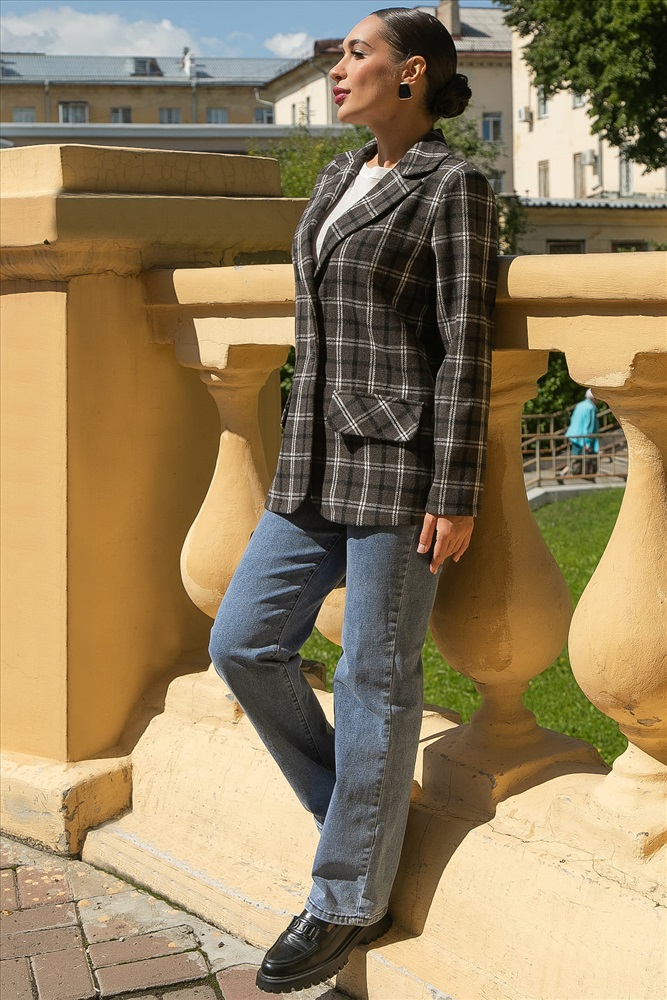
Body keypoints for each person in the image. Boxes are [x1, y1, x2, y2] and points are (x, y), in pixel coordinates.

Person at [208, 7, 498, 994]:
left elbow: (464, 342)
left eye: (357, 52)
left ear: (410, 73)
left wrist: (455, 488)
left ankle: (344, 900)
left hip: (402, 466)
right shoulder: (339, 176)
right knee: (242, 643)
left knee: (376, 677)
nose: (338, 66)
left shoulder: (452, 186)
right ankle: (361, 823)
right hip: (311, 462)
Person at [558, 388, 599, 481]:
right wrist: (588, 442)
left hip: (573, 435)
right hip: (582, 437)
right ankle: (564, 474)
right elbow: (589, 426)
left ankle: (563, 473)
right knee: (580, 458)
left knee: (577, 457)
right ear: (594, 398)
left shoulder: (580, 405)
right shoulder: (591, 408)